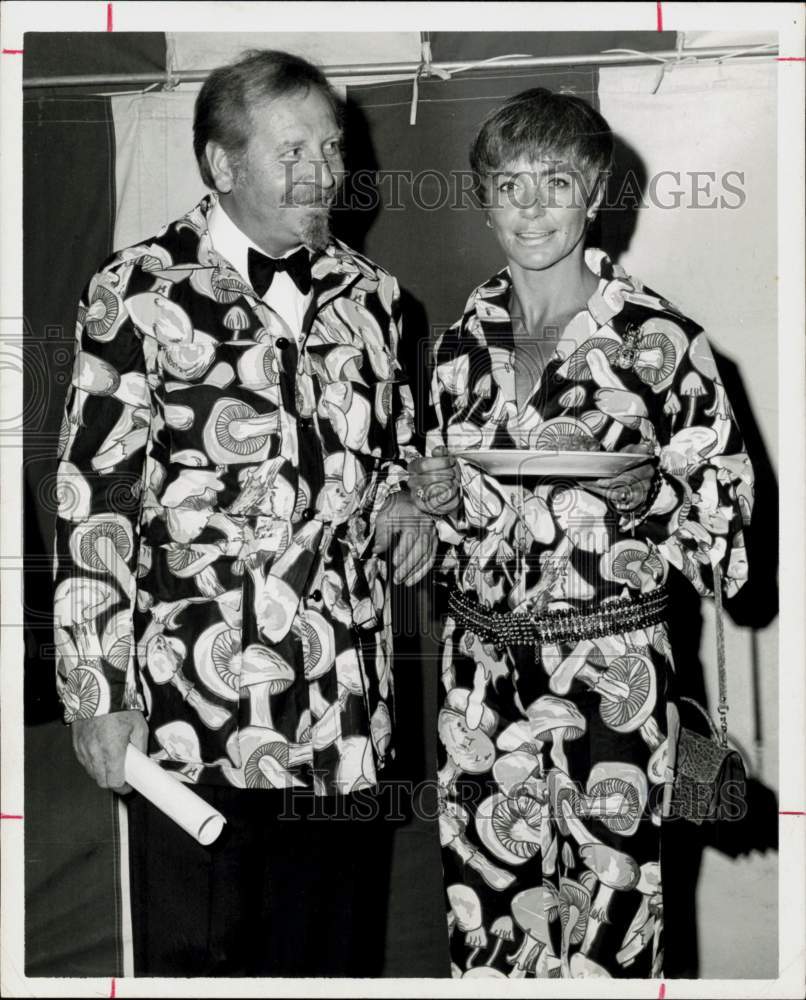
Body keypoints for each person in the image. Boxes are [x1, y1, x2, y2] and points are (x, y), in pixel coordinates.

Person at [52, 49, 437, 977]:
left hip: (344, 719)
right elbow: (90, 502)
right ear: (222, 165)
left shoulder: (379, 302)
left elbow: (391, 457)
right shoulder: (135, 291)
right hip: (198, 716)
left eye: (333, 148)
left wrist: (407, 504)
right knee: (207, 971)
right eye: (292, 151)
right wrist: (97, 694)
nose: (324, 174)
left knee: (333, 966)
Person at [408, 87, 754, 979]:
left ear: (594, 194)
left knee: (612, 929)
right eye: (510, 184)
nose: (531, 207)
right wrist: (434, 497)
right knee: (487, 923)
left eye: (554, 183)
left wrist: (659, 496)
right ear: (482, 199)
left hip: (617, 685)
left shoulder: (663, 343)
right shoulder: (455, 349)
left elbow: (734, 529)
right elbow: (445, 534)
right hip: (479, 685)